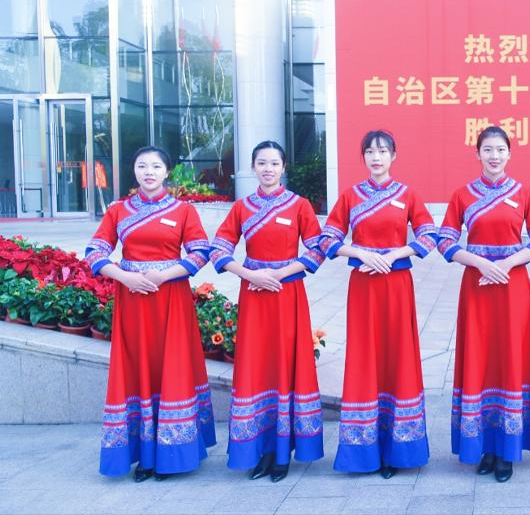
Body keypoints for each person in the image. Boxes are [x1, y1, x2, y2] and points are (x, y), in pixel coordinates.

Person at [84, 146, 215, 480]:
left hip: (171, 299)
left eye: (156, 166)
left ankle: (173, 453)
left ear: (166, 171)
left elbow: (200, 253)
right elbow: (95, 252)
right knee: (138, 368)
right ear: (134, 171)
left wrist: (163, 276)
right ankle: (144, 455)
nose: (149, 172)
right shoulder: (118, 210)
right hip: (133, 301)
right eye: (142, 166)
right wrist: (124, 276)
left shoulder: (183, 210)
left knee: (171, 366)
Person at [436, 125, 530, 482]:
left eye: (500, 149)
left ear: (509, 153)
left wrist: (505, 264)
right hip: (477, 288)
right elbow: (445, 241)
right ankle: (483, 446)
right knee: (481, 360)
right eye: (487, 149)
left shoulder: (523, 193)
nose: (494, 156)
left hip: (513, 288)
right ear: (477, 154)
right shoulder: (462, 195)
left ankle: (508, 448)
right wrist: (479, 263)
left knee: (510, 359)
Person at [319, 130, 437, 478]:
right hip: (364, 286)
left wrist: (395, 253)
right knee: (365, 357)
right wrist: (360, 253)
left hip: (397, 285)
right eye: (370, 152)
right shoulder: (350, 196)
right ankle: (364, 450)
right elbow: (327, 239)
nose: (376, 157)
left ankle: (399, 450)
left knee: (398, 356)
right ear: (364, 157)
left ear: (393, 156)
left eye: (383, 151)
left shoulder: (407, 195)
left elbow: (429, 235)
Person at [210, 140, 325, 483]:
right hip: (254, 296)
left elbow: (318, 250)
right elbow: (219, 249)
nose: (268, 169)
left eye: (274, 163)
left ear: (283, 167)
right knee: (257, 365)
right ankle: (260, 449)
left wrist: (279, 273)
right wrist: (250, 274)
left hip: (287, 294)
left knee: (285, 363)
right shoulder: (242, 207)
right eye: (262, 163)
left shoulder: (299, 205)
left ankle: (283, 450)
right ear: (253, 167)